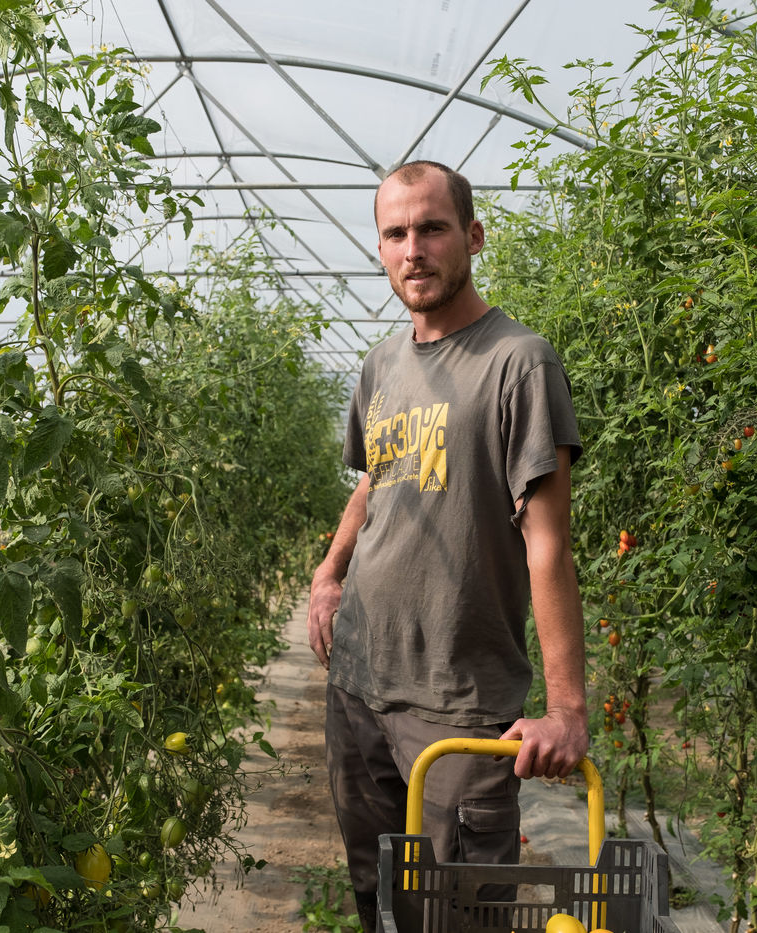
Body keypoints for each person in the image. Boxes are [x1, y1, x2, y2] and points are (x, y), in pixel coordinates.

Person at [307, 160, 588, 932]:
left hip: (458, 703)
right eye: (395, 233)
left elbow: (548, 544)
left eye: (431, 228)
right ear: (379, 247)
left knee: (459, 914)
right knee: (380, 901)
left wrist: (566, 707)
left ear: (473, 235)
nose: (413, 249)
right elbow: (375, 483)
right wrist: (328, 573)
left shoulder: (518, 362)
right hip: (358, 684)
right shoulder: (381, 366)